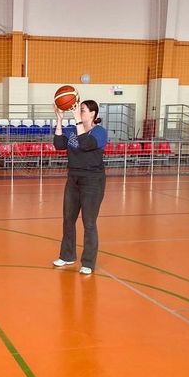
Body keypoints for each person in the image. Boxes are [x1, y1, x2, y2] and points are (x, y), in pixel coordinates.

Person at [51, 100, 108, 275]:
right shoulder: (73, 131)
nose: (79, 112)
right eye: (78, 110)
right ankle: (67, 255)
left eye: (82, 110)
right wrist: (59, 120)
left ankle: (88, 262)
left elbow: (86, 144)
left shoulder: (99, 132)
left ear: (93, 114)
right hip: (73, 179)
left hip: (93, 180)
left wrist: (77, 120)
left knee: (89, 222)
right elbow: (58, 144)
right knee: (68, 219)